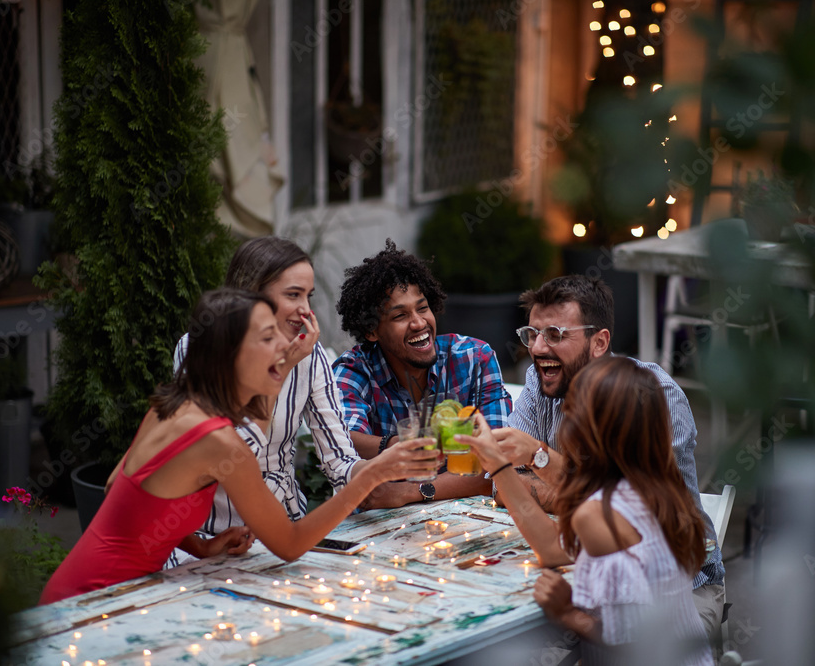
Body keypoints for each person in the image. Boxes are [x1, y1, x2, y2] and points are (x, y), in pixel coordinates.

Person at [40, 289, 437, 604]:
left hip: (86, 593)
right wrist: (377, 474)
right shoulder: (219, 443)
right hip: (93, 606)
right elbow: (290, 543)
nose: (283, 346)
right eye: (268, 338)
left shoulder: (175, 404)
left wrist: (198, 544)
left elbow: (117, 487)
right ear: (231, 355)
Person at [490, 275, 726, 643]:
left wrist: (539, 460)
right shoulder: (543, 380)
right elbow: (519, 499)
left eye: (554, 334)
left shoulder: (647, 394)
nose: (537, 348)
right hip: (582, 564)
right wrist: (503, 466)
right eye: (531, 334)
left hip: (679, 595)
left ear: (599, 341)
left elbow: (628, 634)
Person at [459, 357, 714, 666]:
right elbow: (553, 549)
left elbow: (633, 643)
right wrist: (500, 467)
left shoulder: (599, 514)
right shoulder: (658, 487)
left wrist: (567, 613)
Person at [167, 238, 364, 566]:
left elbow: (340, 460)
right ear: (253, 295)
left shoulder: (309, 354)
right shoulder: (196, 349)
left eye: (308, 296)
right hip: (204, 538)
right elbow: (231, 456)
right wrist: (283, 366)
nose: (305, 310)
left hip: (282, 527)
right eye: (293, 294)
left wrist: (389, 469)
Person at [332, 240, 512, 507]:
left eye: (422, 308)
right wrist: (392, 445)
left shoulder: (475, 358)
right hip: (383, 531)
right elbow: (343, 444)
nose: (419, 323)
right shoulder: (354, 370)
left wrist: (410, 492)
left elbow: (498, 470)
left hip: (468, 522)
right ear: (372, 331)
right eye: (399, 316)